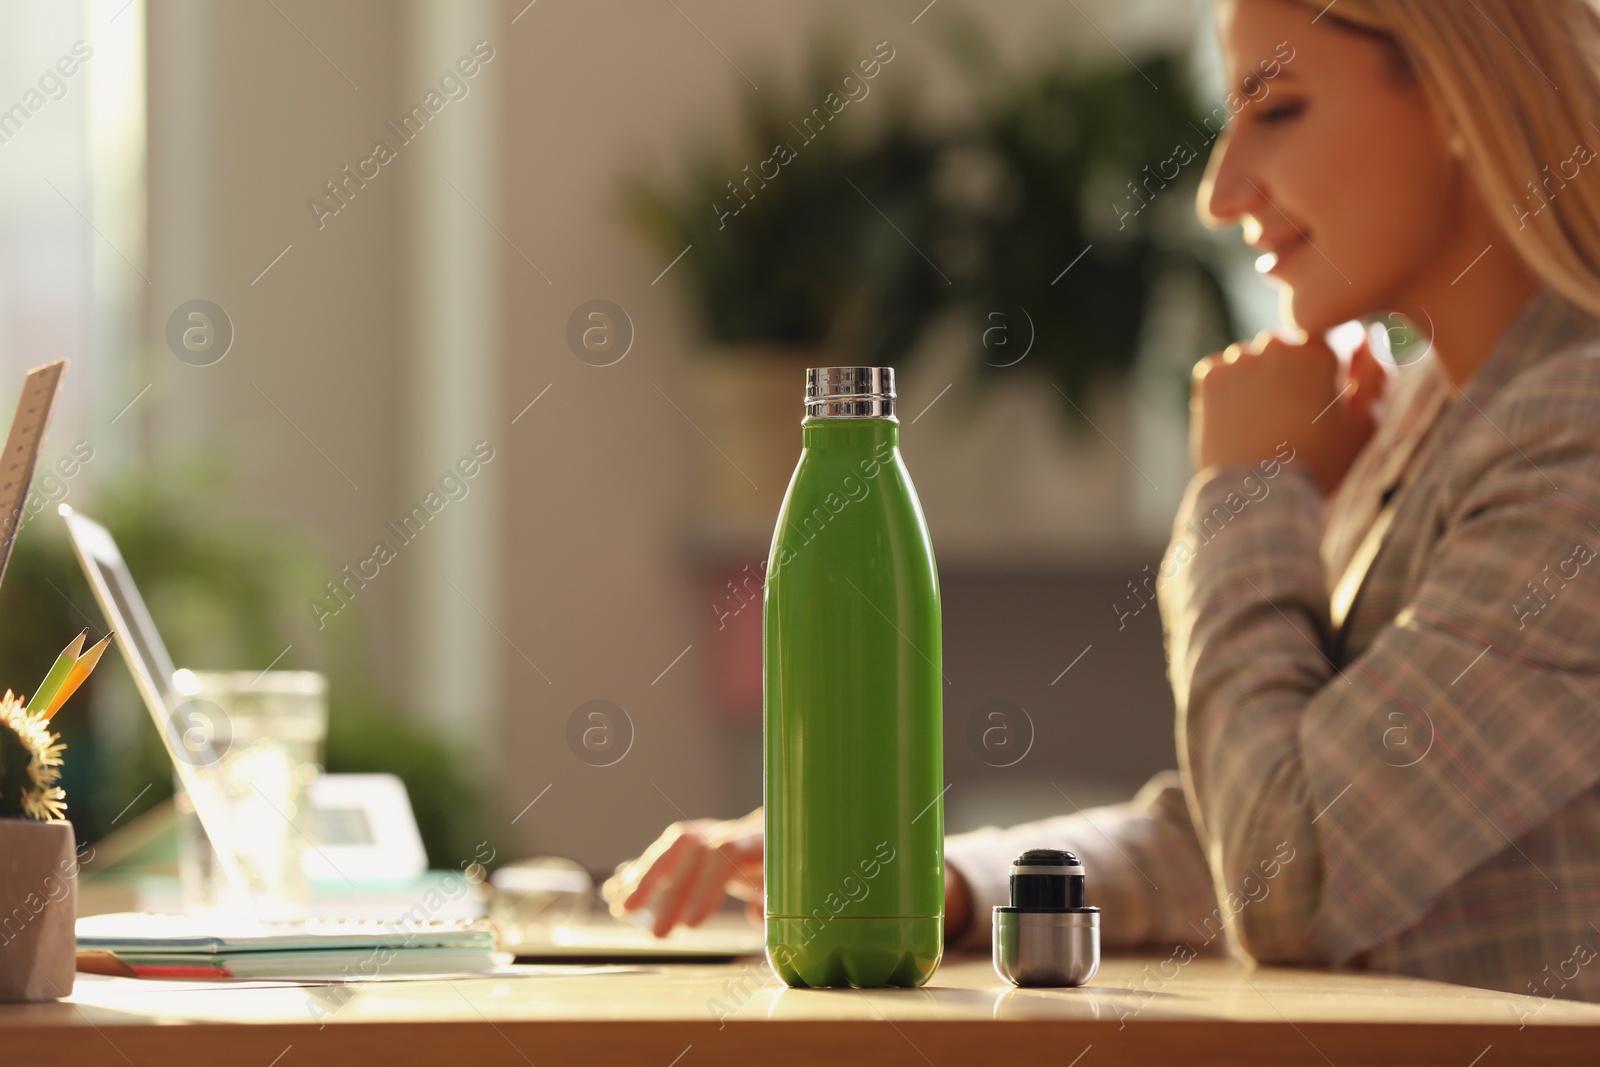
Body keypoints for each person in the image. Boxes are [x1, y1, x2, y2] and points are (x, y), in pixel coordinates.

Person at [603, 0, 1600, 1003]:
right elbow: (1225, 832)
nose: (1219, 193)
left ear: (1462, 98)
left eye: (1279, 107)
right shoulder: (1443, 417)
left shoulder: (1576, 436)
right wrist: (916, 879)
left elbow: (1288, 873)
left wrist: (1246, 492)